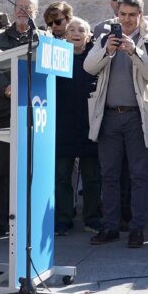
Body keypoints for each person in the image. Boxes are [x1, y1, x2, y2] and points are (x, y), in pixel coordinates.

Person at [85, 0, 148, 248]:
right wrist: (106, 51)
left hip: (137, 117)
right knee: (108, 175)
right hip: (108, 116)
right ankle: (110, 227)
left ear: (141, 15)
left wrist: (134, 52)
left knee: (139, 175)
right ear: (116, 14)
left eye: (132, 15)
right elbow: (88, 67)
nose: (127, 19)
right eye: (123, 14)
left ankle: (137, 229)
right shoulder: (104, 37)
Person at [0, 0, 37, 239]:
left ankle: (29, 222)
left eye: (28, 8)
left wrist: (26, 90)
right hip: (3, 112)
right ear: (13, 11)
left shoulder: (42, 39)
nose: (23, 11)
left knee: (32, 170)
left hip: (35, 113)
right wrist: (7, 88)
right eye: (19, 7)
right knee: (2, 171)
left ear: (35, 12)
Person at [56, 17, 99, 235]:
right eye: (71, 29)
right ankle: (63, 218)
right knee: (62, 176)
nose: (76, 33)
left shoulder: (96, 58)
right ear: (65, 35)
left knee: (92, 176)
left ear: (89, 36)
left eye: (81, 30)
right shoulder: (57, 57)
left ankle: (92, 217)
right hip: (63, 124)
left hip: (90, 124)